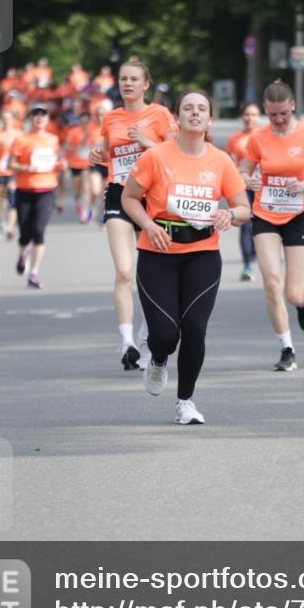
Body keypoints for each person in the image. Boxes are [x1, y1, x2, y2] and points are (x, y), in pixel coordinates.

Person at [122, 90, 250, 425]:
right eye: (188, 108)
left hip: (203, 254)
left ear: (210, 119)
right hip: (158, 252)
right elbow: (129, 198)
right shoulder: (156, 157)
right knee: (165, 334)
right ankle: (159, 359)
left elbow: (244, 207)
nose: (195, 113)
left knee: (195, 328)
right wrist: (148, 225)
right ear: (177, 118)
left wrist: (230, 215)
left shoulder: (220, 160)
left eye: (202, 109)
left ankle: (185, 402)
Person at [89, 57, 177, 371]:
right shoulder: (111, 118)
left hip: (152, 197)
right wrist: (97, 155)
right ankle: (127, 343)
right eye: (123, 79)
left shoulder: (160, 114)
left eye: (133, 79)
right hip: (118, 194)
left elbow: (176, 155)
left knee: (152, 277)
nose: (127, 84)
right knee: (125, 272)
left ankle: (145, 339)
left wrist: (148, 142)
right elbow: (106, 154)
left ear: (145, 84)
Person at [240, 80, 304, 372]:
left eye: (283, 113)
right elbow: (244, 169)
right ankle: (287, 348)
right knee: (271, 281)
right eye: (272, 115)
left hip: (299, 213)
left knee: (293, 292)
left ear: (292, 106)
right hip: (265, 213)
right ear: (266, 111)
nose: (278, 120)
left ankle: (303, 302)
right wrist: (248, 179)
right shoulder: (258, 137)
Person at [7, 104, 59, 288]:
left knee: (39, 230)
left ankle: (34, 272)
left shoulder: (53, 140)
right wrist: (25, 168)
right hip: (25, 189)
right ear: (31, 119)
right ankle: (22, 256)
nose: (39, 118)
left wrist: (62, 165)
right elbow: (10, 164)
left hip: (46, 190)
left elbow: (56, 163)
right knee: (25, 233)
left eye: (43, 115)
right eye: (36, 115)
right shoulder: (21, 139)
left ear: (47, 119)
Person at [225, 102, 262, 281]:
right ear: (242, 117)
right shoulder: (234, 139)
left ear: (259, 117)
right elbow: (230, 164)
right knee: (245, 225)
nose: (250, 118)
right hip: (243, 187)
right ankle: (247, 265)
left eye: (254, 115)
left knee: (261, 225)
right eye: (247, 114)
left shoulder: (266, 136)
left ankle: (257, 255)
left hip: (264, 188)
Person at [62, 110, 94, 222]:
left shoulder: (93, 132)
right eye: (82, 121)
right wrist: (77, 148)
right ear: (79, 121)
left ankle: (86, 212)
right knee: (77, 190)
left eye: (86, 122)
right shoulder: (73, 132)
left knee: (86, 187)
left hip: (87, 164)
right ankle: (78, 203)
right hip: (74, 163)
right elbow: (66, 147)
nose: (84, 124)